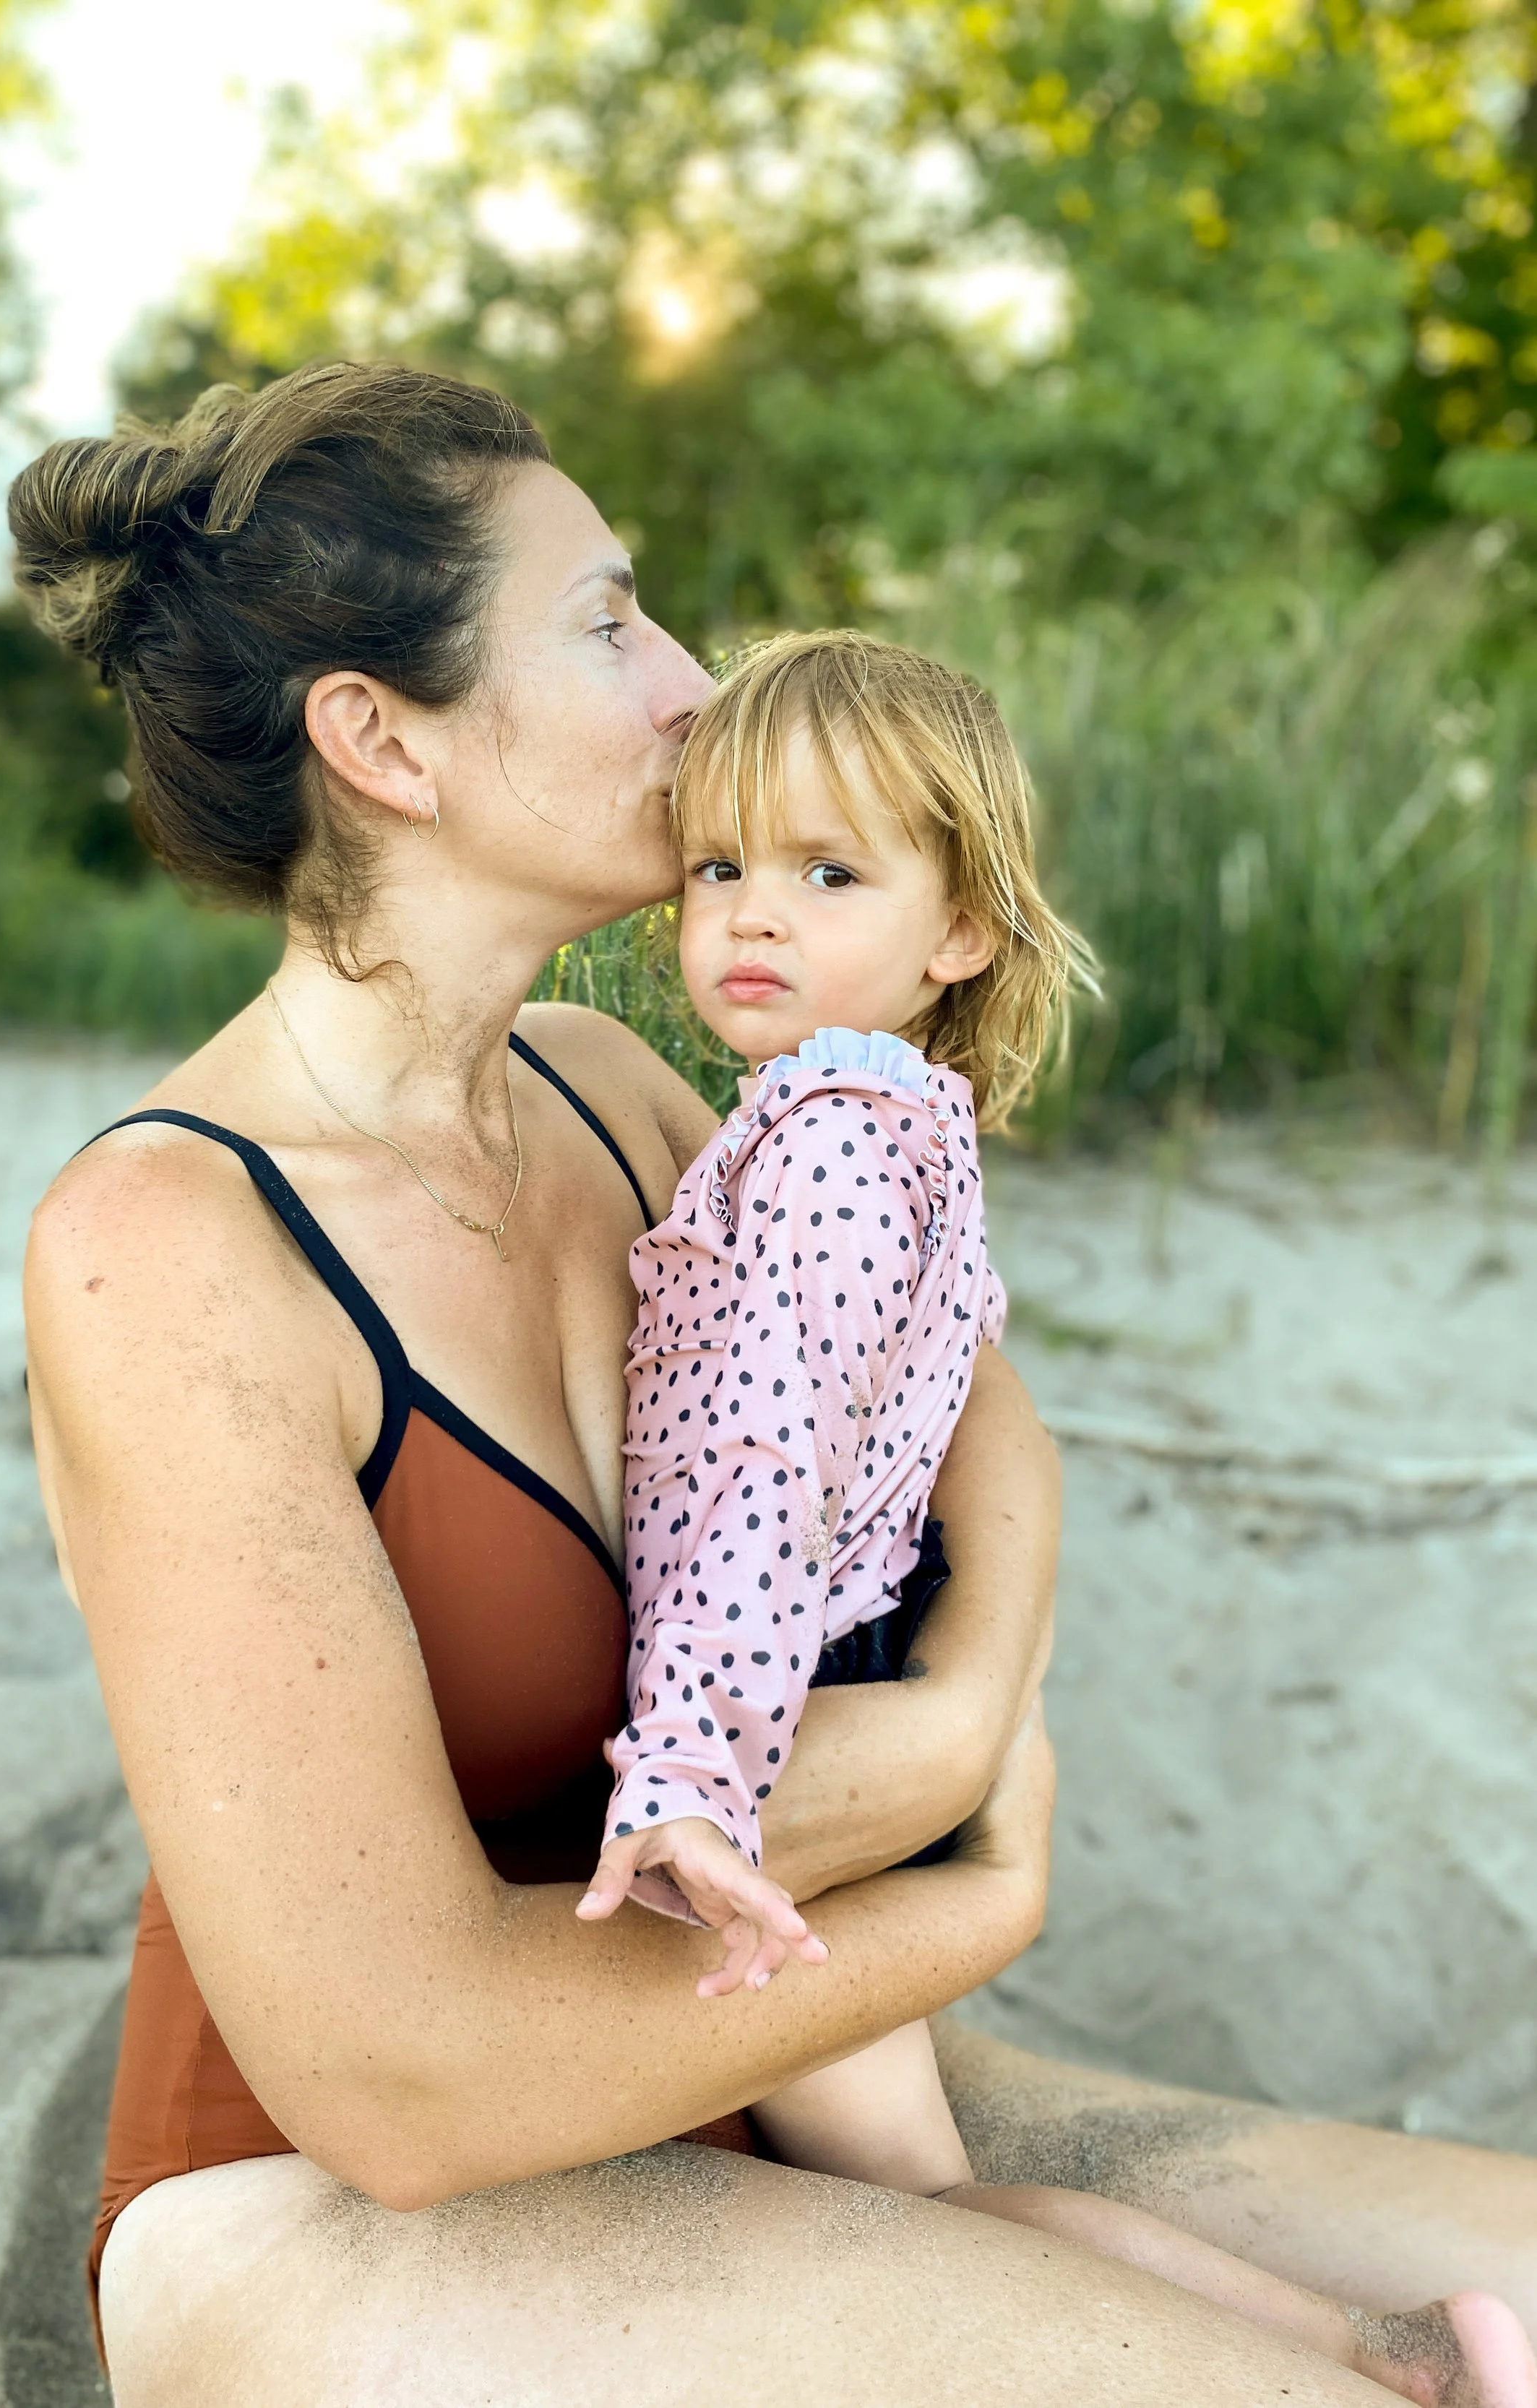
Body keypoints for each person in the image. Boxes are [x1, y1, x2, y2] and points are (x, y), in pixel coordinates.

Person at [11, 358, 1537, 2407]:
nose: (689, 682)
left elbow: (991, 1426)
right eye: (608, 618)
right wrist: (977, 1883)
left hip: (735, 2040)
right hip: (338, 2202)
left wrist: (970, 1705)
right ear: (382, 739)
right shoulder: (171, 1248)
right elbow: (405, 2079)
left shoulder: (633, 1093)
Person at [575, 629, 1537, 2405]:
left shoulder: (827, 1156)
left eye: (824, 871)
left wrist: (694, 1776)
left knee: (914, 2204)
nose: (746, 916)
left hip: (789, 1707)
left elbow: (762, 1486)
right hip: (843, 1656)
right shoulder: (892, 1119)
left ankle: (1383, 2359)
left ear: (956, 933)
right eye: (718, 867)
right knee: (875, 2166)